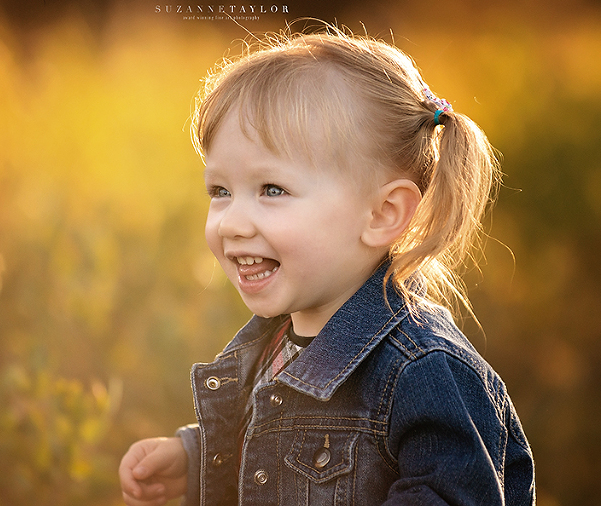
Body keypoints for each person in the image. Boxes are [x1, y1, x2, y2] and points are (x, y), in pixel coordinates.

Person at [119, 26, 536, 506]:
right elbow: (277, 443)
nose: (231, 223)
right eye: (220, 191)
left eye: (272, 190)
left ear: (382, 215)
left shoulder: (424, 373)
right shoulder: (275, 338)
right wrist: (194, 461)